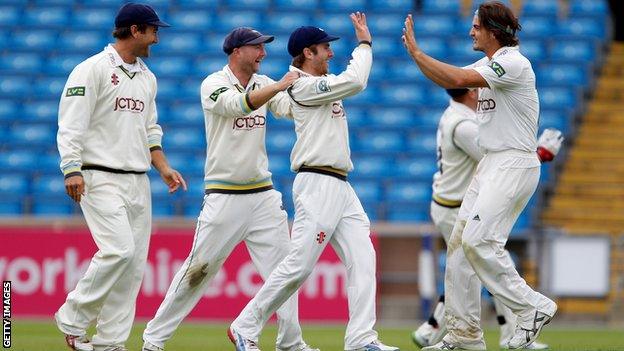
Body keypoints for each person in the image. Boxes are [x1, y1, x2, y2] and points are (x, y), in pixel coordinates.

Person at [228, 13, 399, 351]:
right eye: (325, 48)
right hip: (317, 183)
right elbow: (357, 81)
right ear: (307, 53)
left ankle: (362, 339)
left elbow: (282, 104)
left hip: (340, 185)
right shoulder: (305, 86)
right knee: (299, 265)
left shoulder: (314, 85)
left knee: (364, 259)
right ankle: (245, 326)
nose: (331, 53)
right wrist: (364, 43)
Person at [141, 27, 317, 351]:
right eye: (257, 48)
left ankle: (291, 343)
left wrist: (310, 89)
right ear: (237, 51)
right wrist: (280, 85)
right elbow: (238, 106)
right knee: (197, 273)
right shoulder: (213, 84)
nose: (263, 54)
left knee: (285, 274)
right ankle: (153, 340)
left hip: (263, 195)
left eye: (264, 48)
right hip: (224, 196)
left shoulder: (264, 83)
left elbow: (288, 108)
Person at [402, 1, 560, 349]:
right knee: (459, 248)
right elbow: (451, 79)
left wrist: (417, 52)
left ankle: (532, 306)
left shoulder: (513, 63)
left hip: (513, 163)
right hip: (491, 163)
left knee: (477, 242)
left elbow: (458, 79)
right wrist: (419, 58)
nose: (471, 31)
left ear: (493, 30)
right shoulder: (489, 62)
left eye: (476, 26)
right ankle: (464, 336)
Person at [55, 3, 186, 351]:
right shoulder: (92, 69)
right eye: (153, 31)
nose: (156, 38)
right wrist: (72, 168)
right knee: (119, 251)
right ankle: (72, 320)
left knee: (132, 268)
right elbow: (71, 125)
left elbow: (150, 130)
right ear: (135, 30)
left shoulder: (147, 77)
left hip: (137, 179)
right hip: (99, 176)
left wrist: (163, 167)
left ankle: (110, 343)